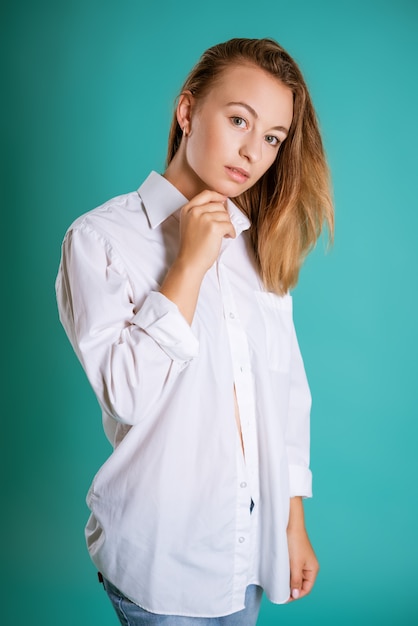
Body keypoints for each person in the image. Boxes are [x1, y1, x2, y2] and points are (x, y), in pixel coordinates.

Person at [56, 37, 334, 626]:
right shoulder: (100, 240)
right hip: (160, 561)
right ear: (188, 112)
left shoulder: (258, 247)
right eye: (239, 120)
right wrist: (186, 266)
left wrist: (293, 524)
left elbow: (284, 398)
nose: (252, 151)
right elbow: (126, 394)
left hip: (245, 552)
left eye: (272, 138)